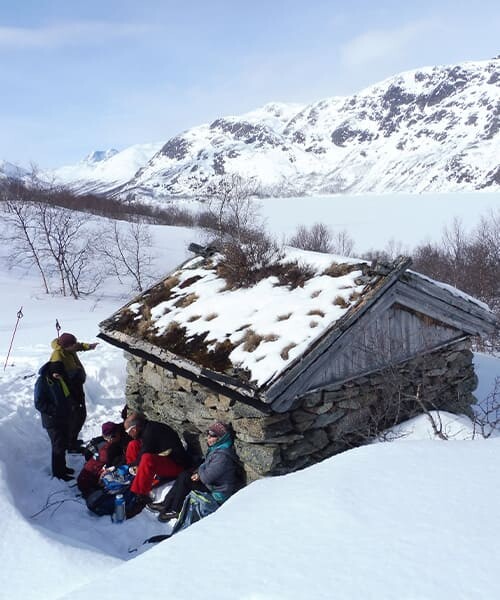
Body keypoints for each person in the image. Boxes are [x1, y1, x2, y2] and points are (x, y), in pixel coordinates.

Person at [150, 421, 241, 523]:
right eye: (208, 435)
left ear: (221, 438)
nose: (208, 438)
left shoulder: (222, 456)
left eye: (212, 436)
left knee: (185, 479)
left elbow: (207, 477)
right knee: (185, 474)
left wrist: (199, 471)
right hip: (211, 485)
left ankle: (175, 509)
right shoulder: (217, 449)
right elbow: (206, 467)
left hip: (217, 493)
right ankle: (166, 503)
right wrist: (199, 470)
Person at [124, 413, 191, 516]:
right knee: (133, 445)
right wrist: (132, 466)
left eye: (128, 431)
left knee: (147, 459)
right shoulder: (148, 429)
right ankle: (135, 477)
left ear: (134, 429)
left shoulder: (151, 432)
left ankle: (140, 495)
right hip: (166, 458)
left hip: (177, 465)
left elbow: (144, 454)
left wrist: (131, 466)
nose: (128, 434)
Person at [49, 332, 98, 452]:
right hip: (70, 390)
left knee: (79, 415)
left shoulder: (68, 348)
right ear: (66, 346)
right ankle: (70, 444)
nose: (76, 346)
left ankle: (72, 440)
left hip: (76, 386)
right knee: (78, 416)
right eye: (73, 345)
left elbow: (78, 346)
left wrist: (88, 346)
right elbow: (54, 375)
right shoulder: (58, 356)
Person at [34, 362, 74, 481]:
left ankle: (63, 467)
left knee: (63, 443)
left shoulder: (59, 378)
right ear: (51, 373)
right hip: (52, 420)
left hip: (63, 417)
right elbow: (39, 403)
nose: (59, 376)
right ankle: (58, 473)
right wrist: (54, 410)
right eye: (57, 375)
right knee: (58, 446)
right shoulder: (42, 382)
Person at [77, 421, 125, 496]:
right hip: (87, 483)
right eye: (118, 434)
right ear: (111, 438)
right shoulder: (108, 451)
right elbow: (108, 469)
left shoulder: (103, 443)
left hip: (84, 478)